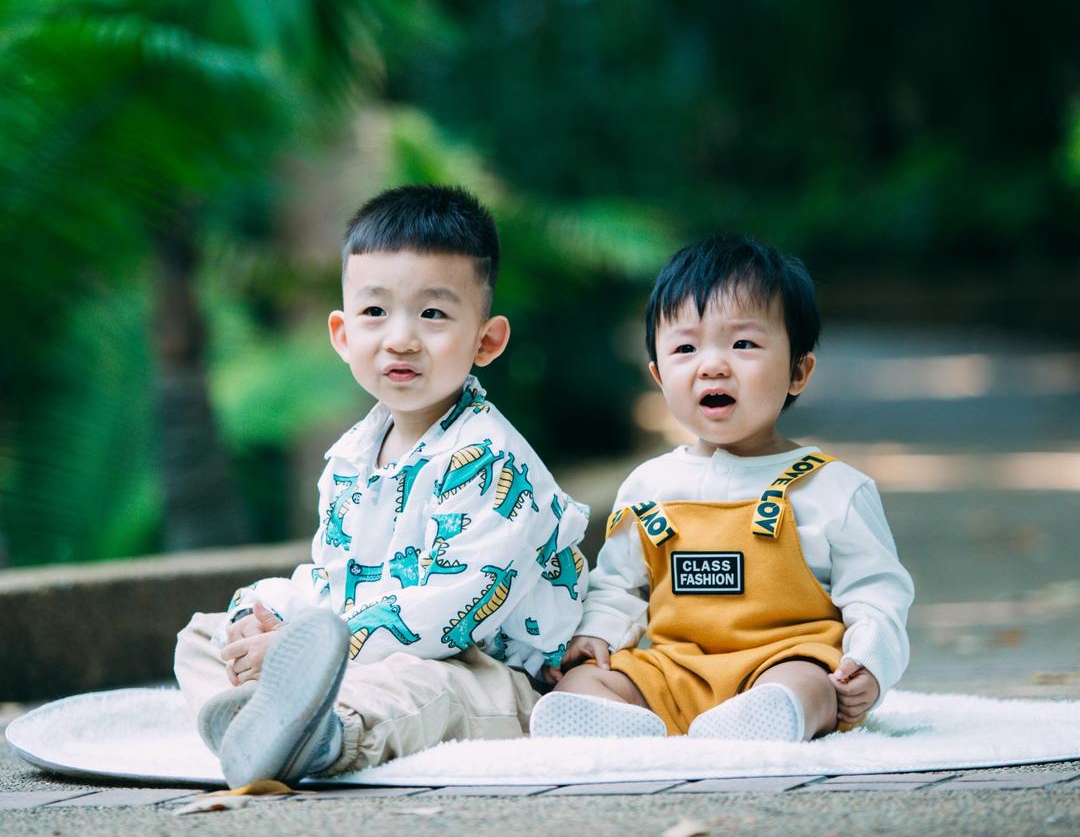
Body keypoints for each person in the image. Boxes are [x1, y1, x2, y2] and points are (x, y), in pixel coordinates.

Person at [174, 185, 588, 786]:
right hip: (358, 647)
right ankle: (248, 721)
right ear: (342, 335)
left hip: (484, 668)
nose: (401, 338)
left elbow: (452, 611)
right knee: (208, 632)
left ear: (486, 341)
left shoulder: (489, 459)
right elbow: (334, 580)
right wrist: (268, 618)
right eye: (375, 312)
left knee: (419, 686)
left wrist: (311, 648)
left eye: (433, 313)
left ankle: (324, 736)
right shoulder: (349, 457)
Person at [530, 233, 913, 742]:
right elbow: (619, 584)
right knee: (585, 680)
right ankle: (614, 722)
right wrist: (595, 633)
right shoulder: (650, 485)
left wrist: (868, 663)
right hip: (674, 670)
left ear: (799, 370)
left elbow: (877, 594)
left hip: (783, 660)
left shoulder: (833, 488)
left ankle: (773, 717)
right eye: (686, 347)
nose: (713, 364)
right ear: (659, 375)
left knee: (811, 685)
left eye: (743, 344)